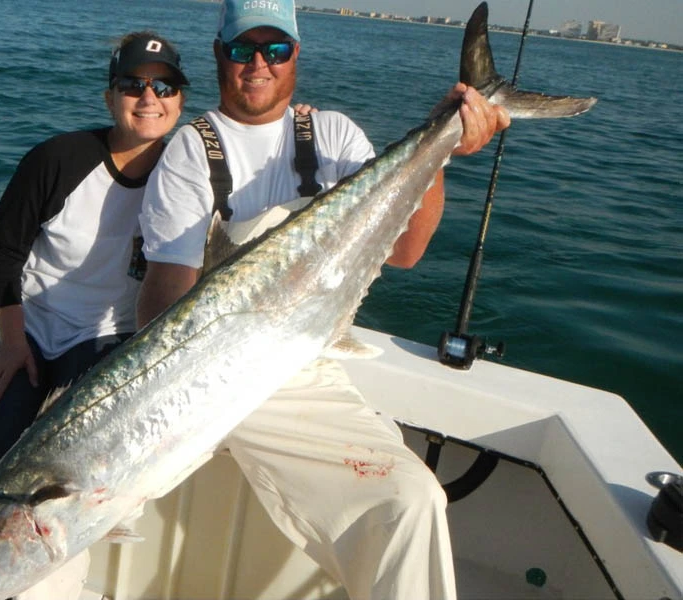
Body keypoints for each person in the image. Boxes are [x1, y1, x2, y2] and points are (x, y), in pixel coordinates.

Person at [137, 1, 510, 598]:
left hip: (311, 360)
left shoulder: (333, 135)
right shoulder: (191, 150)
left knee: (413, 501)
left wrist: (439, 151)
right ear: (218, 54)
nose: (258, 64)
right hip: (218, 374)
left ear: (295, 56)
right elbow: (160, 308)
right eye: (242, 50)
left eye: (275, 50)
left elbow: (405, 253)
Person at [0, 31, 189, 599]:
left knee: (80, 471)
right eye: (132, 85)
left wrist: (300, 123)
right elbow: (2, 250)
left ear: (181, 100)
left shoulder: (189, 175)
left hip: (103, 336)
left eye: (164, 86)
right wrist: (10, 339)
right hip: (23, 322)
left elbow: (261, 164)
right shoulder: (60, 158)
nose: (148, 98)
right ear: (109, 97)